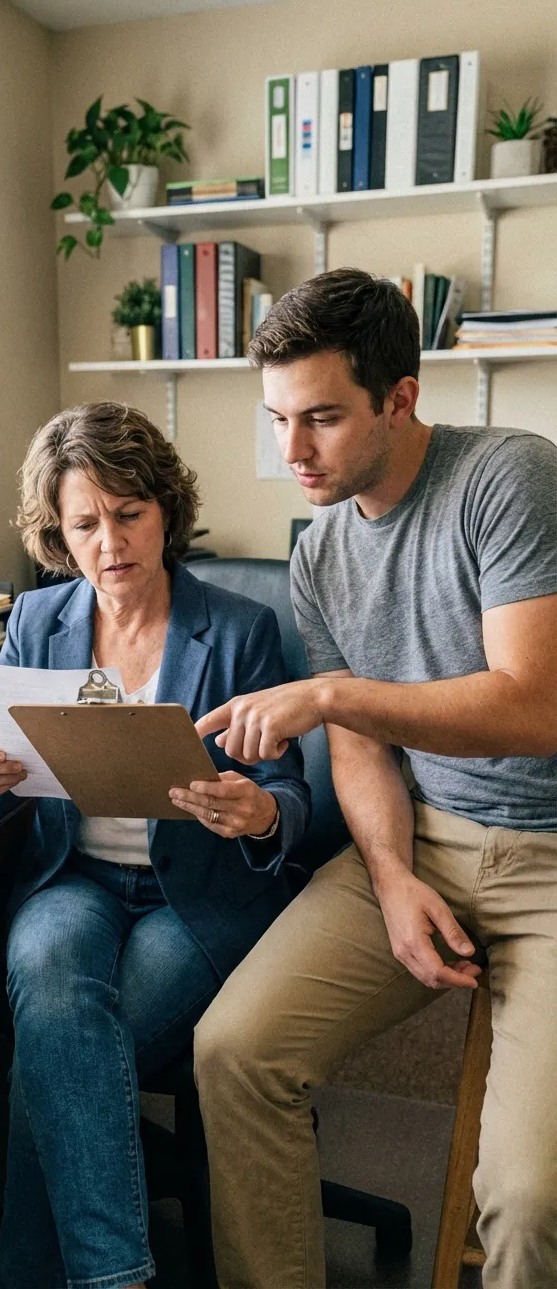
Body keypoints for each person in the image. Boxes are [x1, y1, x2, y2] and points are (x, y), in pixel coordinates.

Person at [193, 268, 557, 1289]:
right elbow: (360, 755)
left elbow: (532, 706)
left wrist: (338, 695)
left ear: (401, 398)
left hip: (547, 855)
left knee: (528, 1200)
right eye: (276, 419)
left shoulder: (509, 479)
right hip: (420, 838)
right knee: (235, 1052)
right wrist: (394, 879)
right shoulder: (321, 555)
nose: (292, 453)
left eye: (321, 418)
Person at [0, 401, 310, 1289]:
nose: (110, 542)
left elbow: (292, 793)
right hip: (76, 879)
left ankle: (48, 1277)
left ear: (165, 512)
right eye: (85, 523)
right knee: (54, 980)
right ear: (58, 535)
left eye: (129, 513)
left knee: (53, 1050)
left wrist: (256, 812)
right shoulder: (37, 621)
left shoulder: (241, 628)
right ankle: (116, 1276)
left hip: (196, 895)